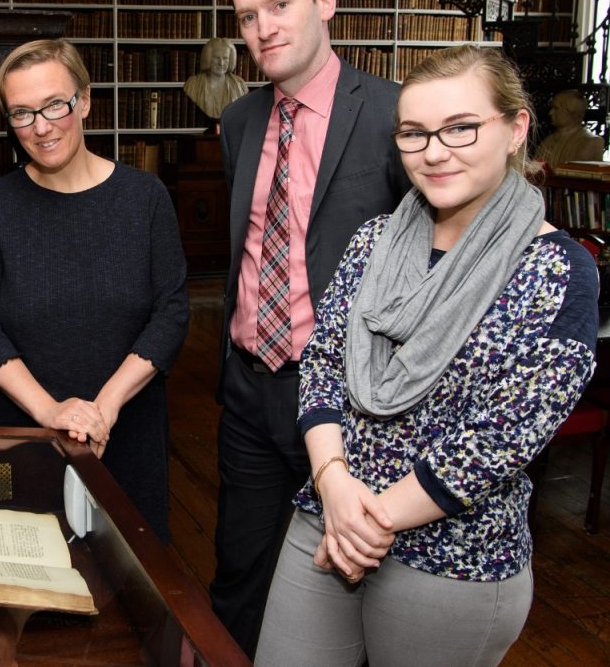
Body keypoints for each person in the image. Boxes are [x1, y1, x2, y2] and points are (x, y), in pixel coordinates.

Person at [256, 44, 598, 667]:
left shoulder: (558, 270)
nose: (435, 152)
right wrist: (334, 485)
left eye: (461, 127)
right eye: (414, 134)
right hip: (328, 512)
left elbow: (504, 436)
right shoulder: (373, 240)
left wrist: (371, 521)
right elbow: (325, 362)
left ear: (516, 127)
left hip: (454, 553)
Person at [210, 0, 410, 657]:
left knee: (349, 575)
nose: (262, 27)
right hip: (250, 389)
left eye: (279, 5)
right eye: (245, 16)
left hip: (351, 400)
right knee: (241, 569)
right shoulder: (237, 121)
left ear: (325, 1)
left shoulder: (395, 116)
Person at [0, 39, 189, 543]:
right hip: (16, 434)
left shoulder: (144, 198)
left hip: (125, 430)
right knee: (11, 591)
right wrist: (51, 412)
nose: (40, 127)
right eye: (22, 114)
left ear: (84, 101)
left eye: (54, 105)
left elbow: (170, 313)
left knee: (130, 587)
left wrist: (102, 409)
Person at [533, 89, 605, 167]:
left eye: (556, 108)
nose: (550, 113)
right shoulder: (547, 142)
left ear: (570, 111)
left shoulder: (591, 142)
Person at [183, 37, 249, 120]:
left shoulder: (240, 85)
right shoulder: (193, 84)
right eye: (216, 58)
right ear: (208, 58)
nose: (221, 63)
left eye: (225, 58)